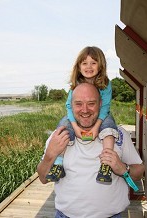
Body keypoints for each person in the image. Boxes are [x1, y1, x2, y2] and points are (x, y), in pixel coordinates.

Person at [37, 82, 145, 218]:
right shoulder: (58, 136)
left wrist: (123, 169)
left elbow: (139, 172)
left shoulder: (118, 134)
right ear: (71, 106)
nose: (85, 109)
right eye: (78, 104)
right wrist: (49, 155)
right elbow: (43, 178)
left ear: (100, 104)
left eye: (91, 103)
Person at [46, 46, 118, 183]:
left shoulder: (105, 84)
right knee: (63, 126)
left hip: (101, 115)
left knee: (109, 126)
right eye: (84, 63)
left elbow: (105, 107)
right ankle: (58, 164)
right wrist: (75, 127)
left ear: (100, 65)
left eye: (93, 63)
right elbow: (69, 106)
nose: (89, 67)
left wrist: (97, 127)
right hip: (75, 117)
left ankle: (106, 165)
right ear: (79, 67)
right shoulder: (76, 84)